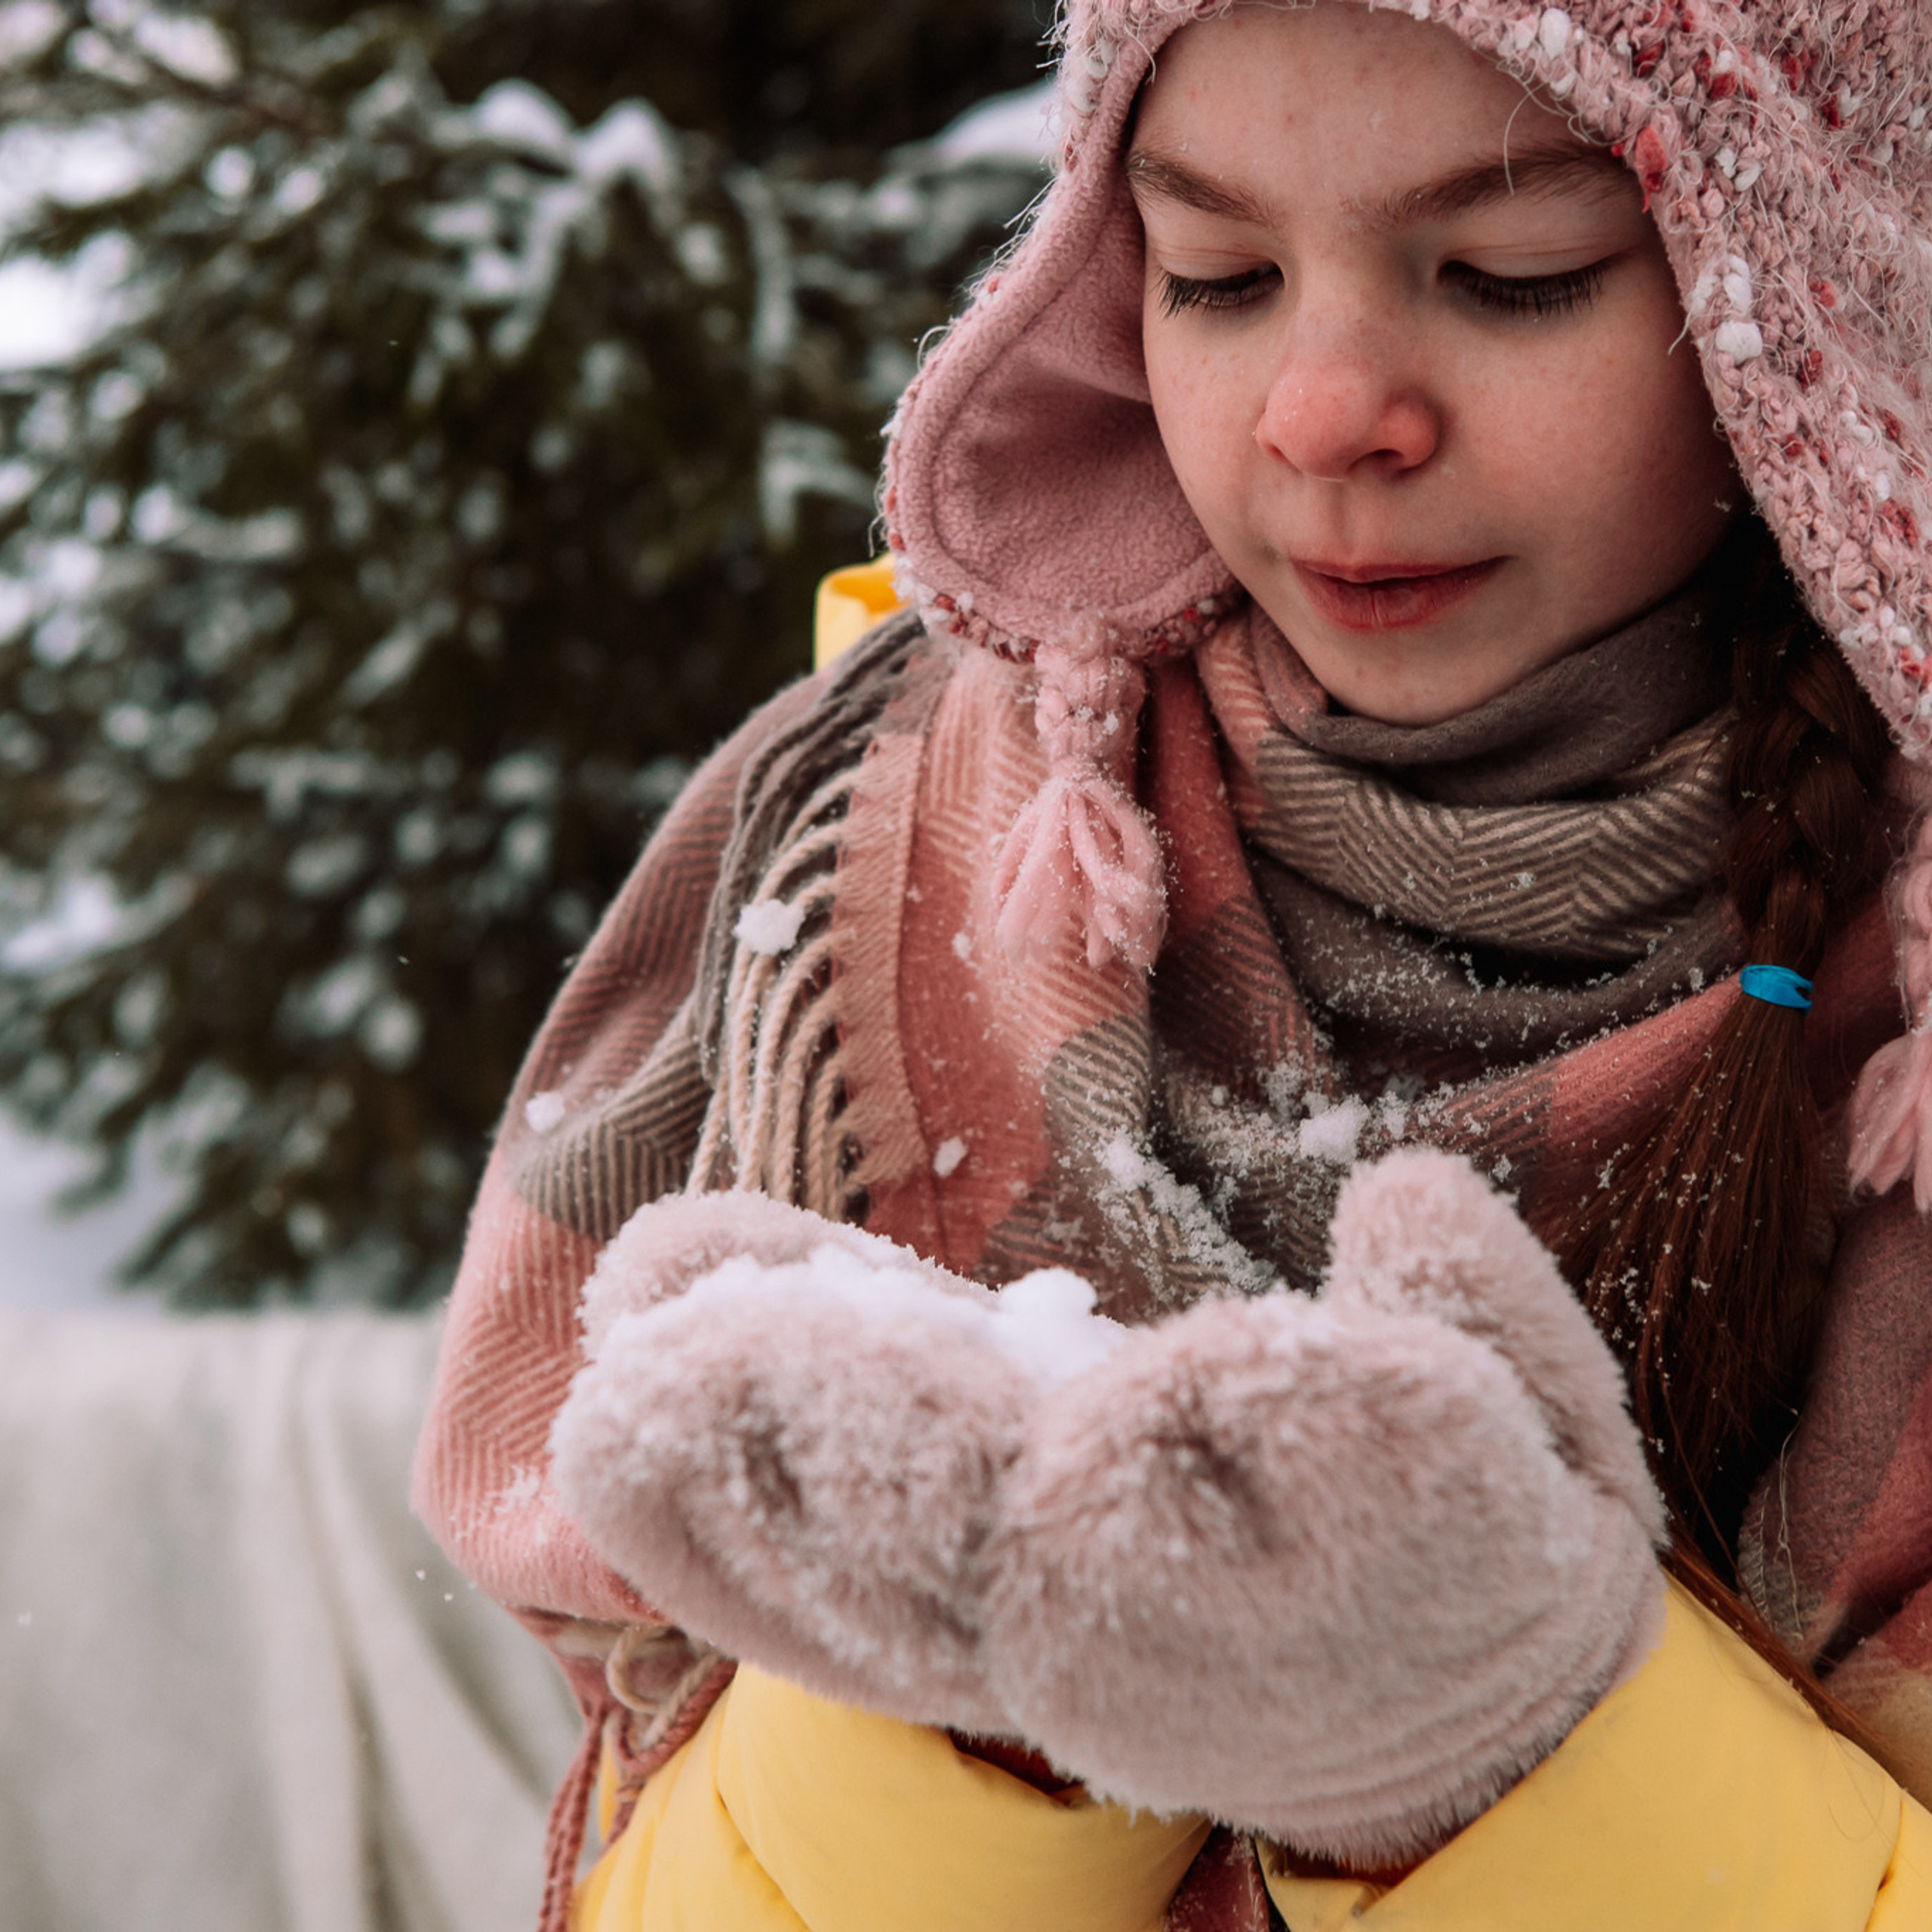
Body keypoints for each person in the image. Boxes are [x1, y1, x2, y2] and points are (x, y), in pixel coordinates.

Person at [414, 3, 1932, 1927]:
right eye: (1215, 274)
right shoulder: (881, 839)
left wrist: (1506, 1747)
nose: (1319, 411)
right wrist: (968, 1718)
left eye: (1506, 276)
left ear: (1806, 281)